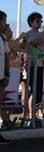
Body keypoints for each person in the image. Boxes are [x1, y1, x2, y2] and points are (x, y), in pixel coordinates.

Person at [0, 10, 12, 144]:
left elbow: (6, 57)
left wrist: (7, 74)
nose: (5, 24)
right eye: (3, 21)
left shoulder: (2, 38)